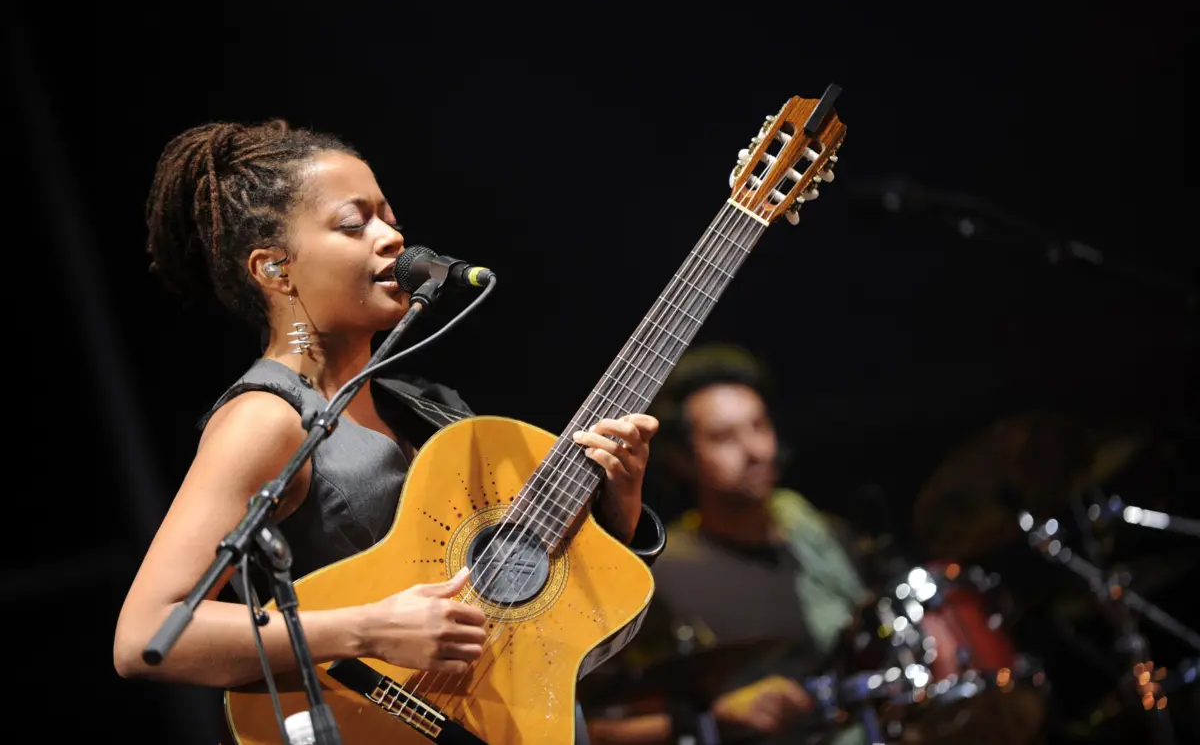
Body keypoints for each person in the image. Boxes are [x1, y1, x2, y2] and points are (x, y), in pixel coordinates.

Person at [111, 120, 666, 721]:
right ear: (274, 270)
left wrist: (618, 504)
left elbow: (536, 612)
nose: (391, 238)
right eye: (354, 224)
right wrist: (365, 629)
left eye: (389, 218)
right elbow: (147, 635)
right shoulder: (266, 420)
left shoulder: (427, 406)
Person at [583, 343, 872, 745]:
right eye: (724, 437)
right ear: (682, 459)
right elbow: (591, 727)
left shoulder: (824, 538)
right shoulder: (662, 573)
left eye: (760, 426)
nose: (755, 450)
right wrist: (709, 723)